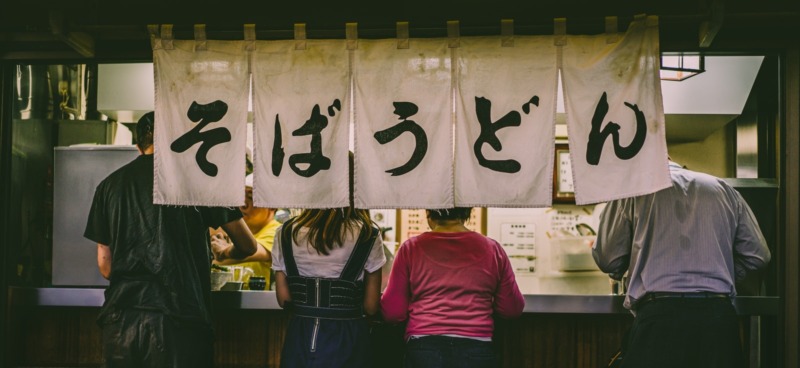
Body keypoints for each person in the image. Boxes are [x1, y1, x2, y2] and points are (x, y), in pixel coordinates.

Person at [84, 111, 258, 368]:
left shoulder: (108, 186)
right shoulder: (201, 180)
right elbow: (248, 245)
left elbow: (105, 265)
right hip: (179, 319)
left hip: (120, 321)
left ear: (138, 147)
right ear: (179, 141)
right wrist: (224, 253)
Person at [592, 159, 771, 368]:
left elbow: (608, 259)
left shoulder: (634, 191)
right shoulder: (723, 189)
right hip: (718, 318)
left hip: (660, 319)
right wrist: (727, 271)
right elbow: (758, 256)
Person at [271, 153, 386, 367]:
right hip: (349, 339)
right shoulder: (368, 235)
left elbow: (284, 299)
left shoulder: (286, 233)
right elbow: (371, 306)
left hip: (300, 338)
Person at [380, 207, 525, 368]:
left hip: (424, 349)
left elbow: (393, 313)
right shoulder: (493, 249)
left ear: (429, 214)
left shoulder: (410, 249)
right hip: (478, 349)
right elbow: (512, 309)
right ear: (467, 213)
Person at [211, 173, 280, 287]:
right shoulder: (234, 235)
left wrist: (222, 252)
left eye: (251, 197)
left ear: (271, 205)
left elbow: (251, 251)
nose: (243, 204)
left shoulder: (277, 232)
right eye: (240, 197)